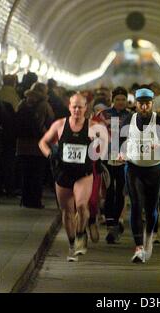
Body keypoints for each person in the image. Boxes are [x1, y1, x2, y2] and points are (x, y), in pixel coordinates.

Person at [39, 93, 107, 261]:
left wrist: (98, 155)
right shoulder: (60, 125)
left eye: (80, 107)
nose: (77, 110)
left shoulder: (92, 127)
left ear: (86, 108)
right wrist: (50, 155)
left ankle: (80, 235)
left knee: (82, 206)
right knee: (67, 211)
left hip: (83, 173)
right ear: (69, 107)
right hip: (63, 172)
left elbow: (105, 143)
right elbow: (42, 142)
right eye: (74, 106)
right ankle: (71, 244)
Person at [120, 88, 160, 263]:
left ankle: (149, 237)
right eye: (140, 104)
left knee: (151, 208)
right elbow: (119, 140)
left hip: (154, 170)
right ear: (136, 104)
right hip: (134, 169)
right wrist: (121, 152)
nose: (144, 107)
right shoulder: (129, 119)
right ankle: (138, 248)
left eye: (147, 104)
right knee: (136, 205)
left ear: (152, 104)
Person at [94, 87, 131, 244]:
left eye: (123, 99)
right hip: (107, 157)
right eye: (117, 99)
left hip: (125, 158)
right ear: (112, 100)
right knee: (109, 189)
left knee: (121, 191)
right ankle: (110, 224)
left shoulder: (131, 116)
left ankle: (116, 222)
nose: (120, 102)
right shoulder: (103, 115)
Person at [15, 83, 54, 209]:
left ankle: (25, 199)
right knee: (37, 175)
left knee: (26, 174)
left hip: (22, 145)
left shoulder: (22, 103)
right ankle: (35, 201)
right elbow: (48, 123)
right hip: (38, 146)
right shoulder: (44, 105)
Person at [0, 74, 20, 197]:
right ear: (14, 82)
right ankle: (9, 188)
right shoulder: (14, 96)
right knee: (9, 162)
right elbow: (17, 115)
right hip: (10, 135)